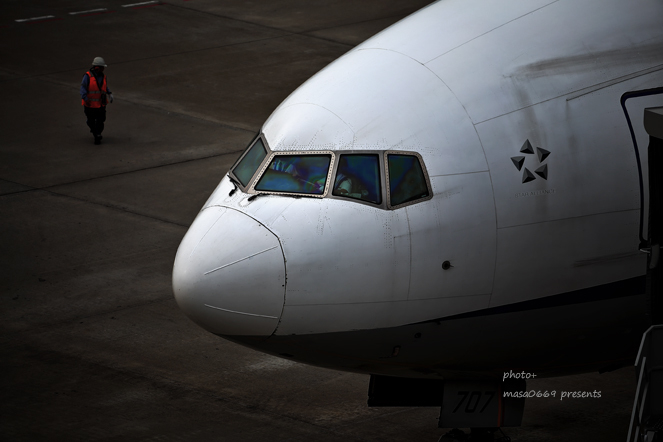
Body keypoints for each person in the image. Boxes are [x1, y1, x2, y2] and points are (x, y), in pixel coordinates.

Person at [80, 57, 113, 145]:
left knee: (101, 120)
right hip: (90, 104)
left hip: (101, 104)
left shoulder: (103, 76)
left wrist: (109, 93)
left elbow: (104, 87)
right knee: (90, 121)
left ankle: (97, 134)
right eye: (102, 67)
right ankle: (96, 134)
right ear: (97, 67)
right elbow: (83, 88)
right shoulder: (87, 76)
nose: (103, 69)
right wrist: (85, 99)